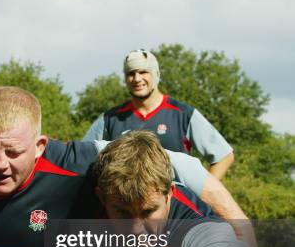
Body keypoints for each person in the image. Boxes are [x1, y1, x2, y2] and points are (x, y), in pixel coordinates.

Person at [0, 86, 245, 247]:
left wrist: (245, 237)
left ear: (40, 146)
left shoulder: (78, 162)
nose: (0, 163)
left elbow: (183, 166)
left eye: (13, 152)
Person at [92, 131, 257, 247]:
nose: (135, 230)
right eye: (122, 212)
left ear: (169, 194)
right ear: (101, 198)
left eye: (148, 211)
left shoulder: (196, 227)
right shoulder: (81, 207)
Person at [83, 49, 234, 180]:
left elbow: (224, 156)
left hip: (174, 209)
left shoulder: (183, 115)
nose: (137, 79)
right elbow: (83, 156)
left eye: (143, 72)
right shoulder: (110, 118)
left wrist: (200, 197)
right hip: (126, 209)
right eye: (131, 73)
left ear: (156, 74)